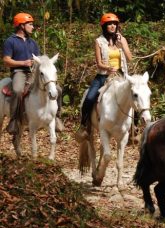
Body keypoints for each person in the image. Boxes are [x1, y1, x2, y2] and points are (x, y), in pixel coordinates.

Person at [2, 12, 64, 134]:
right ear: (21, 26)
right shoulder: (10, 41)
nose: (32, 27)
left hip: (34, 73)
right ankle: (14, 120)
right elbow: (6, 61)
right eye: (30, 24)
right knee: (18, 90)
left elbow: (39, 60)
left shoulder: (33, 42)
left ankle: (57, 118)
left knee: (58, 89)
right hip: (19, 72)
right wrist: (23, 63)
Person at [75, 13, 132, 141]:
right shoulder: (99, 41)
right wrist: (107, 68)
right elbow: (99, 63)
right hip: (104, 75)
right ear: (104, 26)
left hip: (121, 75)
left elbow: (129, 58)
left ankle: (135, 129)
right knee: (89, 98)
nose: (112, 26)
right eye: (109, 24)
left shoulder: (122, 39)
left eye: (114, 24)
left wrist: (122, 44)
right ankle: (83, 125)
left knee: (135, 95)